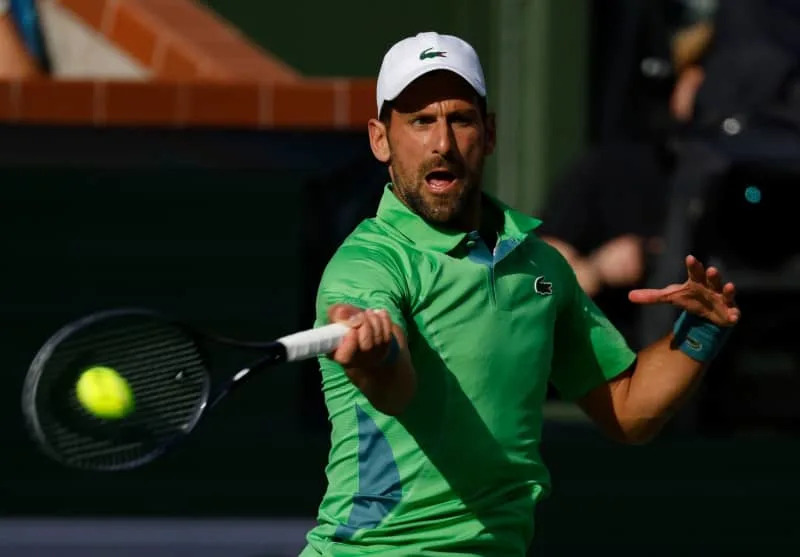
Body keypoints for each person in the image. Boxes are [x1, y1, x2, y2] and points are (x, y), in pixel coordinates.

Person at [299, 32, 741, 557]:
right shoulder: (366, 265)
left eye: (459, 119)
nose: (442, 143)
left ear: (488, 134)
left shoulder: (540, 267)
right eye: (420, 121)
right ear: (380, 139)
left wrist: (702, 331)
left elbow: (628, 410)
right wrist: (377, 353)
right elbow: (395, 389)